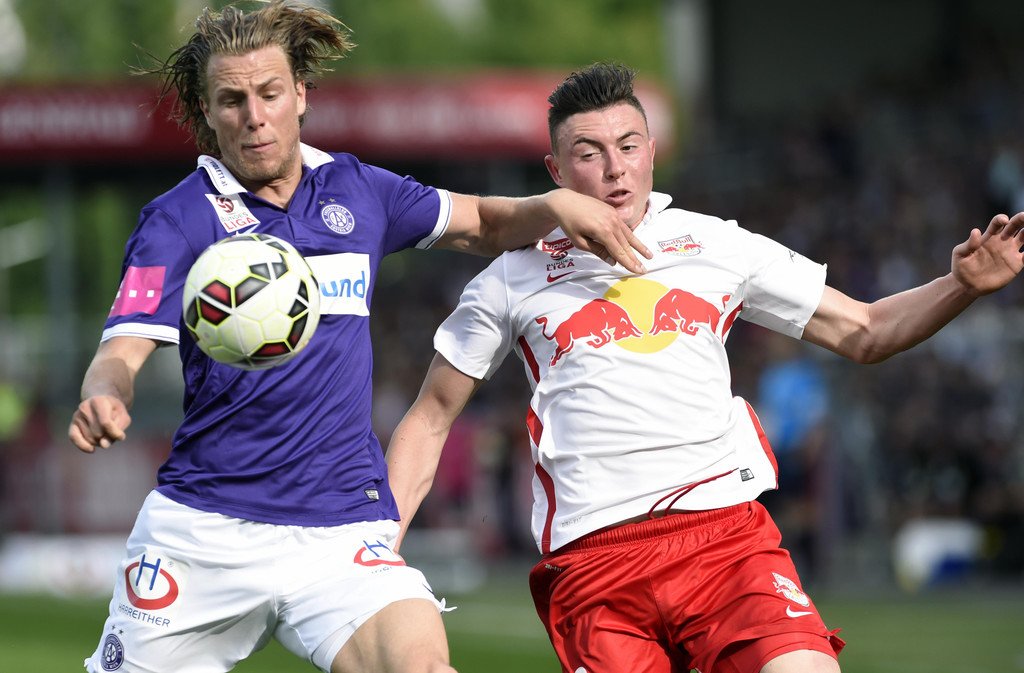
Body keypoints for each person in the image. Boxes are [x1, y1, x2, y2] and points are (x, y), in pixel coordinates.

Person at [66, 4, 651, 672]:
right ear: (207, 110)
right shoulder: (176, 220)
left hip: (342, 529)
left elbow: (485, 223)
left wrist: (554, 205)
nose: (254, 116)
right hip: (205, 532)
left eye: (269, 94)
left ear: (300, 94)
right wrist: (103, 395)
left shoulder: (357, 190)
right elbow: (120, 351)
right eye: (232, 100)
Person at [385, 62, 1024, 673]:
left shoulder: (718, 244)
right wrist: (377, 551)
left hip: (725, 540)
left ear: (651, 152)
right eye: (589, 153)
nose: (614, 168)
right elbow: (430, 418)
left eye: (627, 146)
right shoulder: (509, 279)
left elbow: (865, 330)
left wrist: (960, 286)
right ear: (555, 171)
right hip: (595, 561)